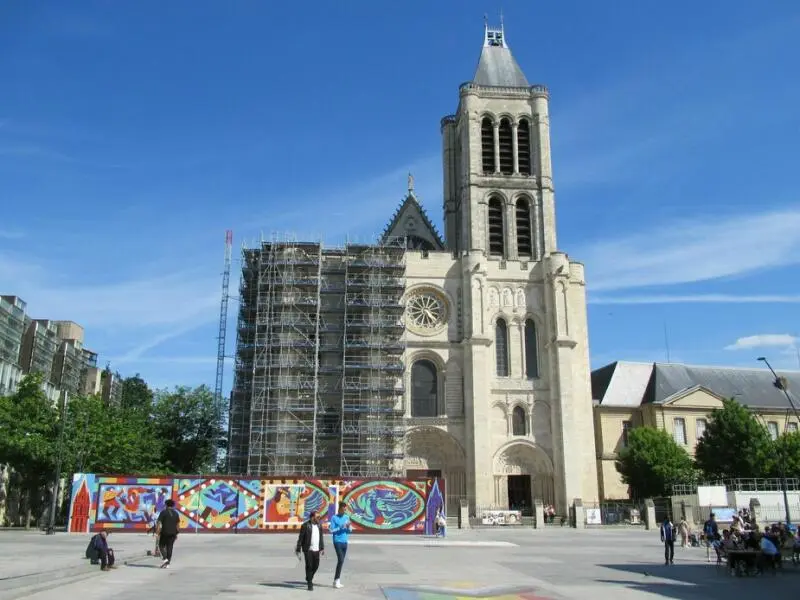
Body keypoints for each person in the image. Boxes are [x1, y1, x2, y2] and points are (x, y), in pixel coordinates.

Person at [296, 511, 325, 591]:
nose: (319, 519)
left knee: (316, 565)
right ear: (312, 517)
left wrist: (322, 547)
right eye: (317, 517)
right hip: (308, 549)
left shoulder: (319, 525)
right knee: (309, 566)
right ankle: (310, 583)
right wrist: (298, 549)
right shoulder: (305, 526)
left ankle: (309, 577)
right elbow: (300, 538)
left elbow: (321, 537)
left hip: (316, 549)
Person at [328, 503, 352, 589]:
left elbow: (350, 531)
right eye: (344, 509)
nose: (345, 511)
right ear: (340, 509)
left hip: (345, 541)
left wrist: (349, 527)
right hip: (337, 541)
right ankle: (336, 580)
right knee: (341, 560)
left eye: (346, 509)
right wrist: (340, 527)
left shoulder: (346, 517)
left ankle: (336, 580)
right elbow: (331, 530)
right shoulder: (334, 518)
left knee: (341, 561)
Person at [156, 498, 181, 569]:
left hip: (165, 532)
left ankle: (165, 559)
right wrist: (176, 533)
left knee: (161, 546)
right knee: (170, 547)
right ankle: (167, 563)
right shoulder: (176, 513)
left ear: (166, 505)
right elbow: (178, 524)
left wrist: (157, 532)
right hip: (173, 533)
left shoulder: (163, 512)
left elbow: (159, 522)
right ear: (172, 505)